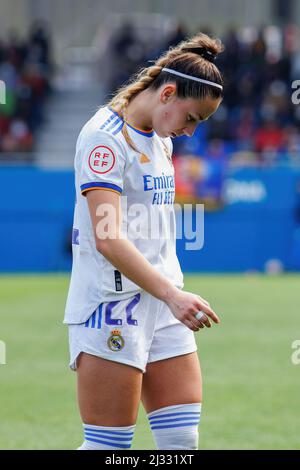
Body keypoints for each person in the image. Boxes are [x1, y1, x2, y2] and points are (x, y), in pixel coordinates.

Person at [64, 31, 224, 450]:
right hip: (111, 305)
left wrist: (170, 296)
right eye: (192, 118)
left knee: (180, 440)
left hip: (164, 303)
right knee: (109, 447)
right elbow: (109, 239)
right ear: (168, 93)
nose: (190, 132)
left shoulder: (161, 139)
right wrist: (173, 295)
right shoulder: (104, 138)